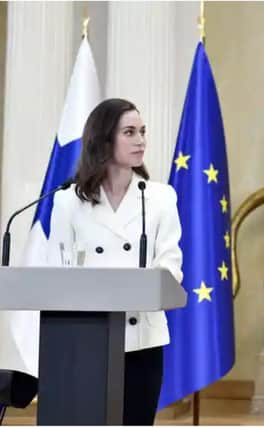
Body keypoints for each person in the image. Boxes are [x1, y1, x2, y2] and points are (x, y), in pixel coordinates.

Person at [47, 98, 183, 425]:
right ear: (104, 139)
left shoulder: (161, 198)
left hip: (142, 339)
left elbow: (171, 264)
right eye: (130, 132)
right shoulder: (68, 201)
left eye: (143, 131)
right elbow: (56, 270)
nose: (141, 140)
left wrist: (146, 287)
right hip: (85, 339)